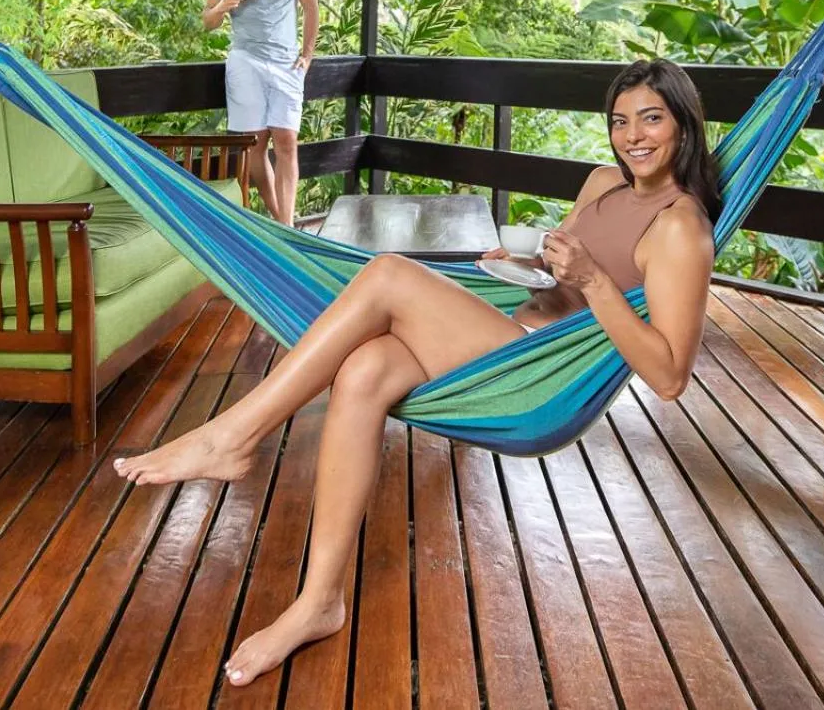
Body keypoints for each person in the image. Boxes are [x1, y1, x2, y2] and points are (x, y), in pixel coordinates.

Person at [114, 58, 720, 687]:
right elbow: (552, 273)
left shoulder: (681, 228)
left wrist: (592, 281)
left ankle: (234, 435)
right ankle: (319, 601)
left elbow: (669, 376)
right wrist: (521, 262)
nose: (633, 136)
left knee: (388, 274)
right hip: (505, 328)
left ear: (683, 123)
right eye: (620, 121)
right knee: (364, 369)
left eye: (651, 119)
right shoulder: (603, 182)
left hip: (540, 374)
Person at [202, 0, 319, 228]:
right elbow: (208, 21)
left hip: (286, 63)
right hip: (245, 61)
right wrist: (222, 5)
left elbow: (311, 8)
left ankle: (285, 224)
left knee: (287, 142)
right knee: (255, 145)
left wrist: (307, 55)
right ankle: (283, 224)